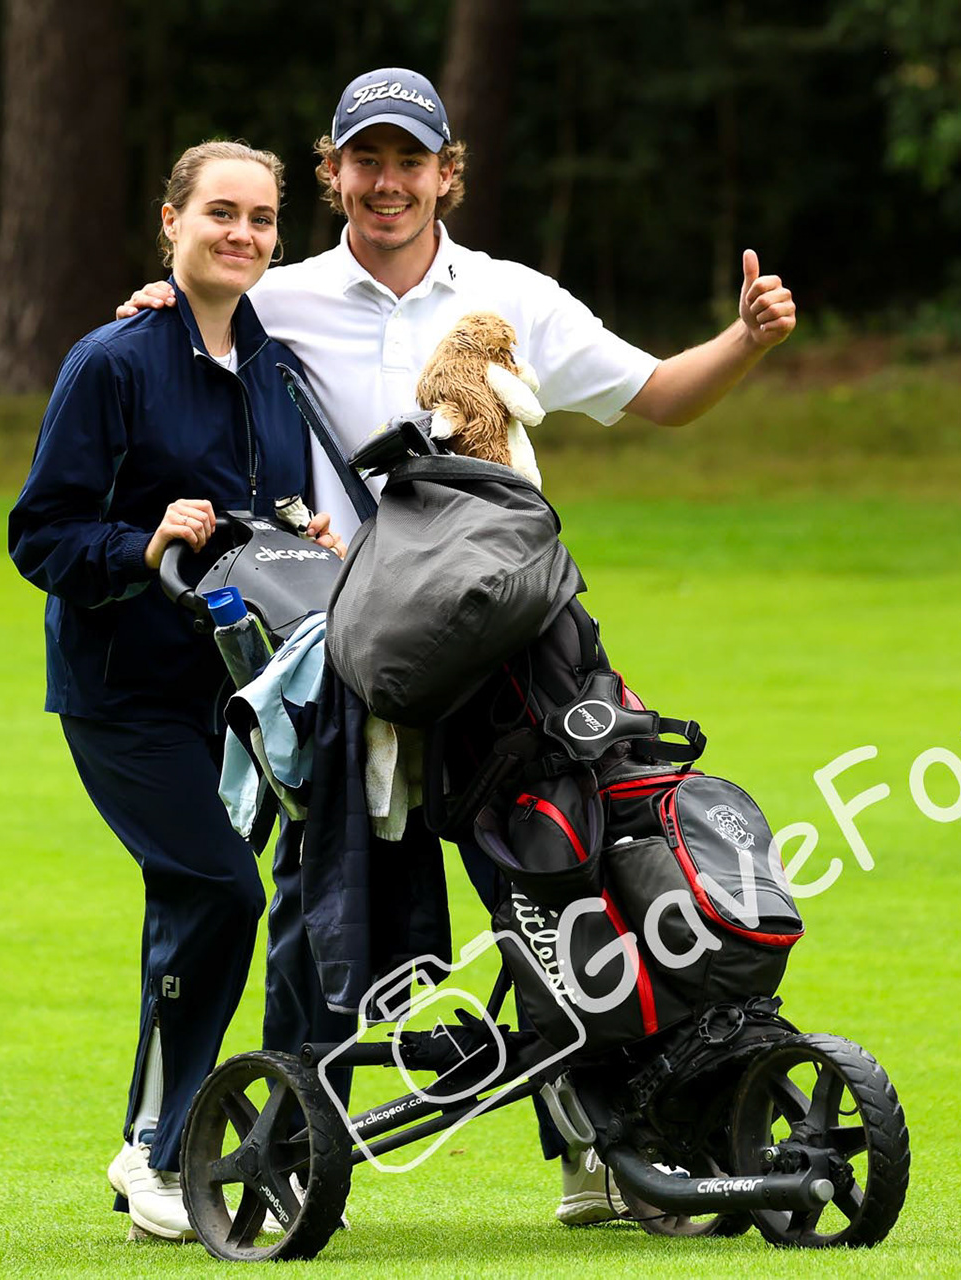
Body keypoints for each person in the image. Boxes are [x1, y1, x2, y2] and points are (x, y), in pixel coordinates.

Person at [115, 67, 798, 1228]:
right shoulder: (276, 294)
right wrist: (158, 300)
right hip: (351, 645)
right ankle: (282, 1142)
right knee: (325, 905)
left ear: (448, 173)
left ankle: (600, 1142)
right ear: (331, 171)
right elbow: (189, 331)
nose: (388, 183)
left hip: (503, 647)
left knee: (555, 880)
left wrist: (745, 338)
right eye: (366, 160)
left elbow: (658, 396)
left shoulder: (514, 297)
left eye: (410, 160)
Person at [9, 139, 341, 1244]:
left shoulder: (274, 368)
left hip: (235, 698)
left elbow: (270, 513)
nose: (240, 234)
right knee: (221, 891)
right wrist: (143, 540)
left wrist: (306, 535)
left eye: (259, 218)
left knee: (190, 901)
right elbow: (41, 532)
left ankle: (149, 1143)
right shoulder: (111, 360)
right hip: (122, 691)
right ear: (171, 221)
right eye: (220, 213)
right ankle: (157, 1147)